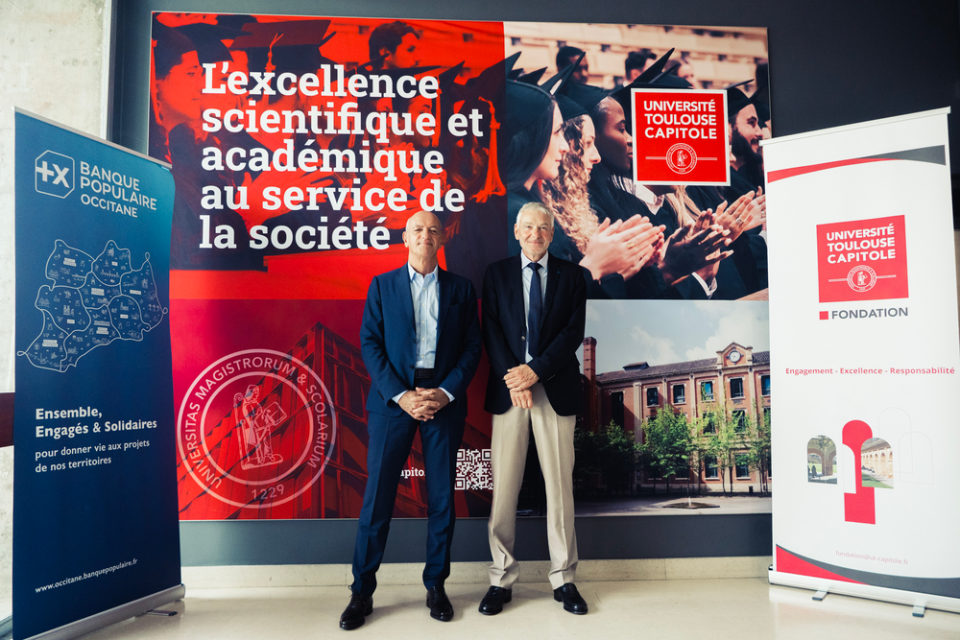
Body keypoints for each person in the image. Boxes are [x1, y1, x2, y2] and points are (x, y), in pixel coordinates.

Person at [340, 210, 483, 630]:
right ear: (405, 238)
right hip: (393, 403)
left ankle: (436, 586)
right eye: (417, 229)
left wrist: (444, 392)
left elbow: (472, 348)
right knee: (377, 500)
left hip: (444, 401)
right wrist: (402, 396)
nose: (425, 235)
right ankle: (361, 592)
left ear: (442, 240)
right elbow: (369, 342)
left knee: (441, 500)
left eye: (433, 230)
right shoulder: (382, 286)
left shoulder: (460, 288)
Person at [478, 201, 589, 616]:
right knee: (504, 486)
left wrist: (533, 373)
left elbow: (570, 334)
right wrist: (515, 377)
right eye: (529, 227)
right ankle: (501, 577)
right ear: (517, 231)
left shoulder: (575, 276)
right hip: (509, 392)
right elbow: (490, 329)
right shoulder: (496, 274)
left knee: (559, 488)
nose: (536, 234)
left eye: (544, 228)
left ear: (552, 233)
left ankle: (564, 579)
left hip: (554, 389)